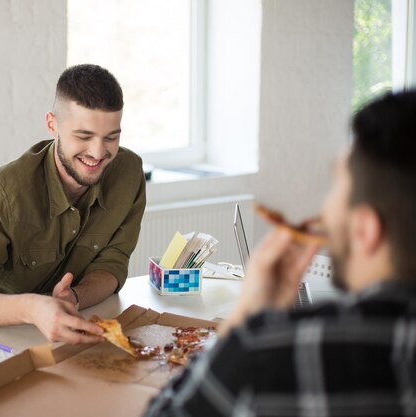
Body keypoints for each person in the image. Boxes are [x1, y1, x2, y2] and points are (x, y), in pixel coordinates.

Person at [143, 90, 416, 417]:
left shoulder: (276, 351)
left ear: (366, 230)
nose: (327, 209)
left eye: (337, 191)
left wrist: (245, 317)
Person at [0, 64, 146, 345]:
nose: (98, 153)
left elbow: (113, 263)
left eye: (111, 138)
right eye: (83, 136)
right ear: (52, 124)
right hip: (5, 339)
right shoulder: (3, 190)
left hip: (78, 332)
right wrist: (35, 308)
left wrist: (75, 297)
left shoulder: (129, 173)